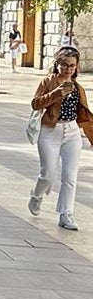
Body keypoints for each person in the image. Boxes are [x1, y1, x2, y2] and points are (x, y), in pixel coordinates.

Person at [28, 47, 93, 230]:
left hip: (71, 132)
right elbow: (36, 104)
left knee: (70, 176)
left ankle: (66, 214)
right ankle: (37, 196)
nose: (68, 69)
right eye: (64, 65)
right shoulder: (48, 82)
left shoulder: (78, 87)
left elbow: (84, 112)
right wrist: (58, 92)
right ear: (57, 64)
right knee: (48, 174)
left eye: (72, 66)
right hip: (50, 132)